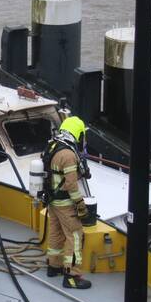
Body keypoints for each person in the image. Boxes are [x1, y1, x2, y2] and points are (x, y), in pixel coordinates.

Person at [43, 116, 96, 289]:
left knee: (56, 232)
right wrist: (80, 205)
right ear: (77, 134)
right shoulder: (68, 154)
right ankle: (72, 276)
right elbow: (71, 185)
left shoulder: (53, 145)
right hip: (65, 202)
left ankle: (54, 266)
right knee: (75, 235)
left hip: (53, 201)